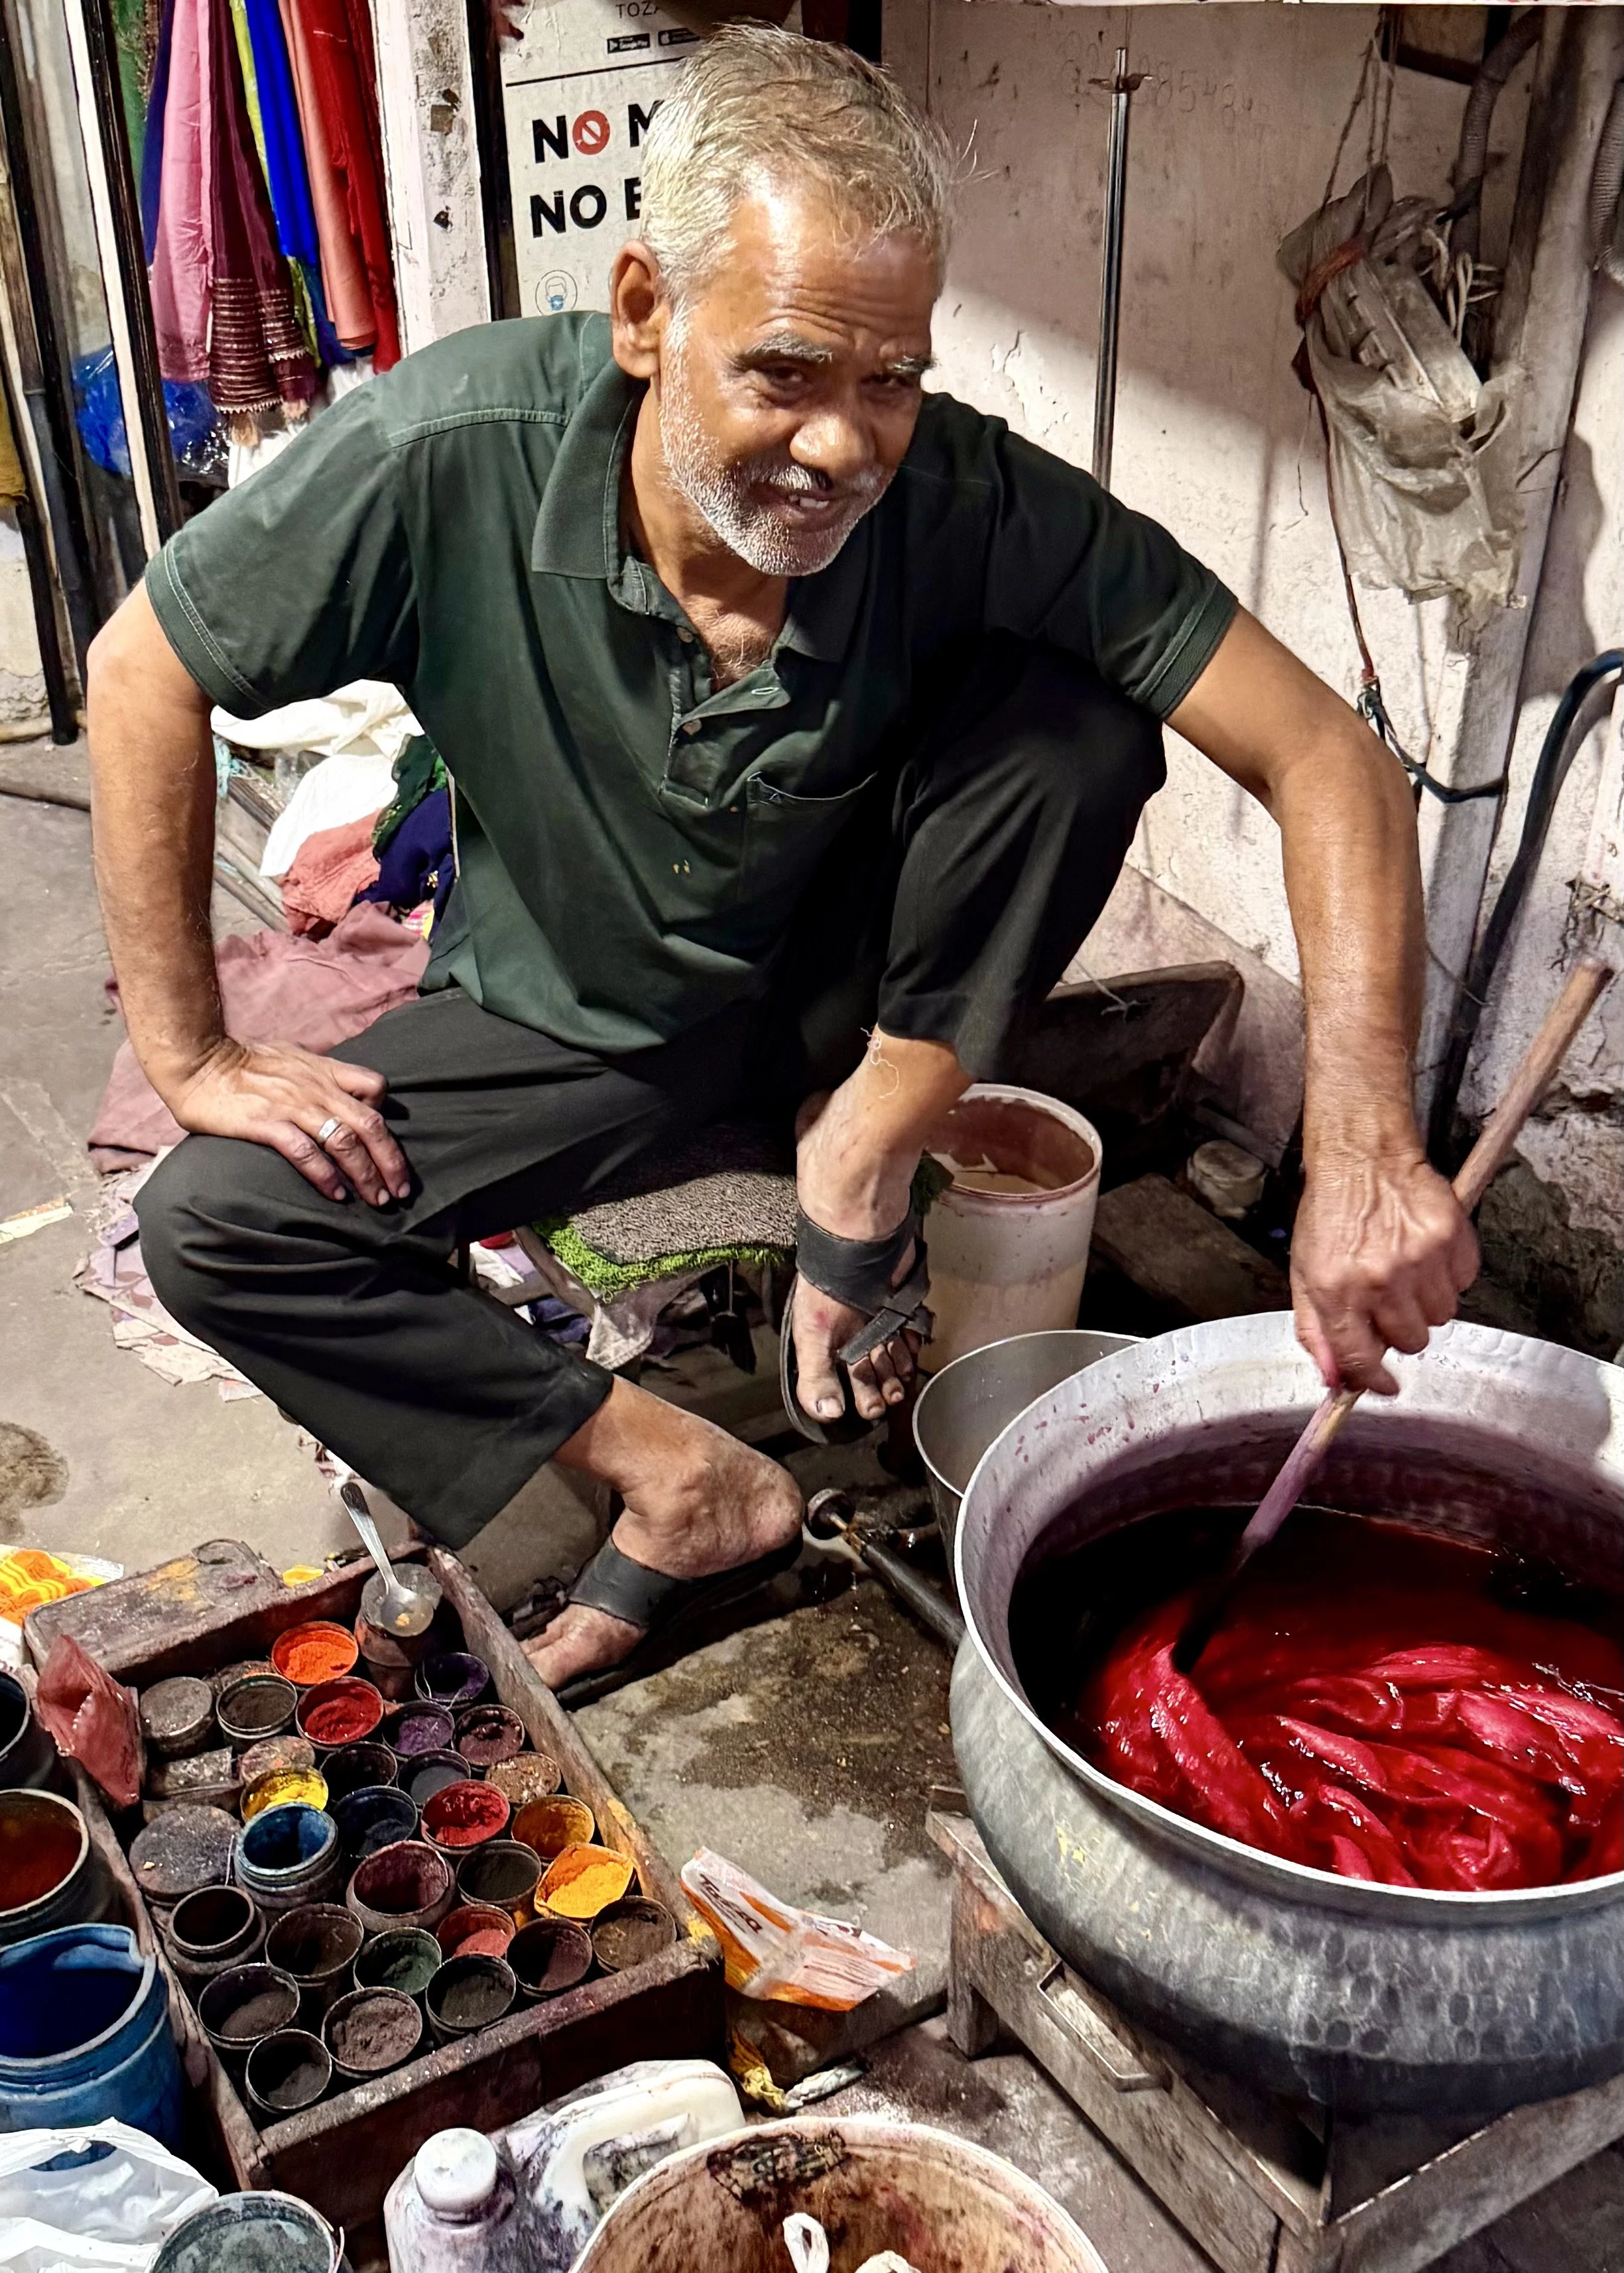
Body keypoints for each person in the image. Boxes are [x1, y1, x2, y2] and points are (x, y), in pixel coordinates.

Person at [87, 27, 1477, 1694]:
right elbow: (139, 668)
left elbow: (1328, 752)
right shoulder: (447, 455)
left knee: (1081, 722)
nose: (844, 446)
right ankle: (680, 1481)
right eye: (789, 373)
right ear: (645, 315)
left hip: (841, 1007)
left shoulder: (958, 496)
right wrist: (194, 1052)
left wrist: (1370, 1149)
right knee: (216, 1221)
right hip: (568, 1024)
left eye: (890, 380)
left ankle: (858, 1153)